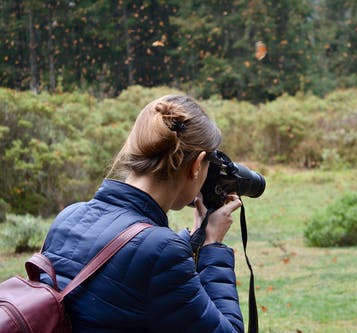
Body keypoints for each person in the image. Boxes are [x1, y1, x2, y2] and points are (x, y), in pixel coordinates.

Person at [41, 94, 244, 332]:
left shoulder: (69, 217)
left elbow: (123, 277)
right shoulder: (161, 251)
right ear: (197, 165)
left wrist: (190, 242)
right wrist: (211, 246)